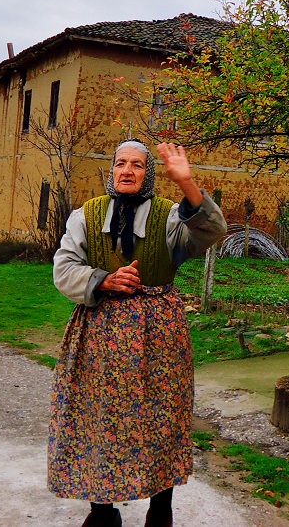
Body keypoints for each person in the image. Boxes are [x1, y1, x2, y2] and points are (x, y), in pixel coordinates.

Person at [47, 140, 227, 527]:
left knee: (162, 419)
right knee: (97, 418)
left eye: (138, 165)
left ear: (149, 175)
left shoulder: (170, 217)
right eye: (120, 163)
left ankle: (161, 509)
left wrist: (189, 185)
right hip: (99, 334)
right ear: (111, 170)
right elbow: (63, 269)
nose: (127, 171)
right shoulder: (86, 216)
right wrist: (104, 279)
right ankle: (102, 512)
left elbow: (211, 232)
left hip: (159, 336)